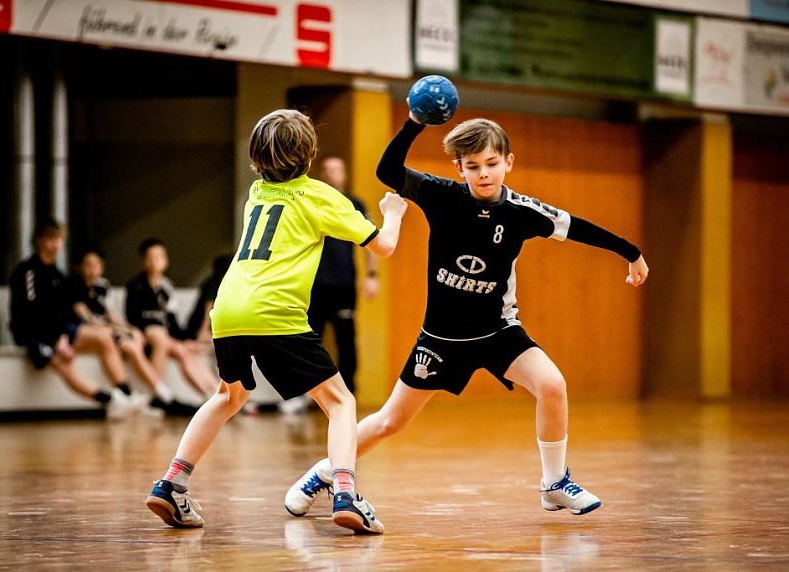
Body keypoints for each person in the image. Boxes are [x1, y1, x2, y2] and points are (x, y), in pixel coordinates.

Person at [284, 110, 649, 520]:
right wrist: (414, 123)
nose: (484, 173)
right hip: (440, 340)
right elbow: (388, 170)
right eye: (473, 166)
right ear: (459, 168)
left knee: (551, 385)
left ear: (508, 162)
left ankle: (554, 483)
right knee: (390, 421)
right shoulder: (442, 196)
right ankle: (323, 472)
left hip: (498, 333)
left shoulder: (523, 211)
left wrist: (630, 253)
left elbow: (578, 227)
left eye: (492, 164)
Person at [146, 109, 408, 534]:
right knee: (340, 402)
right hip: (274, 309)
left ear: (257, 159)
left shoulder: (258, 193)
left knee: (228, 396)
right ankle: (345, 493)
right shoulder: (318, 195)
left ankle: (171, 482)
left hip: (229, 307)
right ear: (310, 153)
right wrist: (392, 212)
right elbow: (384, 247)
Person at [9, 220, 140, 420]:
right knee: (64, 363)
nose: (57, 244)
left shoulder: (58, 276)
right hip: (32, 334)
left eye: (60, 239)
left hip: (57, 333)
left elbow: (62, 313)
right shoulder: (27, 271)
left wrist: (62, 337)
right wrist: (56, 340)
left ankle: (126, 395)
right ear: (40, 241)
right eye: (52, 238)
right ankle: (110, 401)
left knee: (105, 337)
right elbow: (30, 313)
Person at [70, 245, 198, 417]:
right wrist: (119, 329)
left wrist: (129, 329)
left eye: (97, 264)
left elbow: (112, 315)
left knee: (135, 343)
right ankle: (159, 395)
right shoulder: (74, 287)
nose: (93, 269)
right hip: (92, 333)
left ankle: (150, 396)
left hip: (111, 331)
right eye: (89, 265)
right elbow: (86, 317)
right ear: (80, 267)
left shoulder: (103, 286)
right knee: (131, 346)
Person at [307, 156, 379, 395]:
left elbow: (372, 239)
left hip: (344, 284)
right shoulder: (312, 202)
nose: (332, 174)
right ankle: (309, 393)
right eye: (327, 170)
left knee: (346, 339)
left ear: (344, 174)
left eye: (337, 169)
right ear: (321, 173)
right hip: (313, 284)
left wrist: (371, 275)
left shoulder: (355, 204)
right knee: (310, 339)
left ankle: (348, 389)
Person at [126, 239, 219, 398]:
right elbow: (132, 315)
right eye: (151, 257)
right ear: (143, 261)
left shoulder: (167, 287)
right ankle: (156, 395)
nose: (155, 261)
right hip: (147, 332)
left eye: (159, 257)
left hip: (166, 335)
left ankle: (214, 394)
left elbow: (173, 322)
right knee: (159, 336)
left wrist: (184, 340)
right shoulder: (135, 285)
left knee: (185, 352)